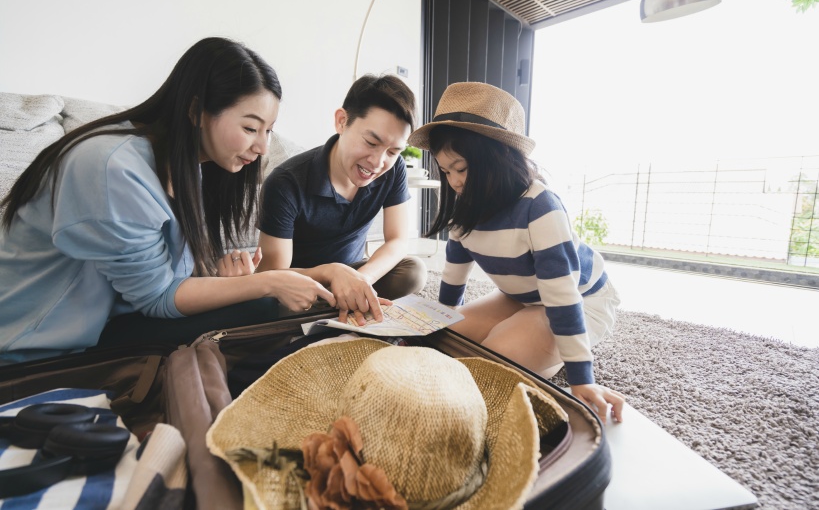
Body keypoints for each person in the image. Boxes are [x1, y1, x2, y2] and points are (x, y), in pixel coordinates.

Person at [0, 37, 335, 363]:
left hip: (100, 322)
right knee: (260, 307)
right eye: (250, 128)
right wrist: (265, 282)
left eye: (268, 130)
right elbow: (158, 297)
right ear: (196, 111)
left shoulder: (185, 166)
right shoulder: (113, 168)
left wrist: (226, 278)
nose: (262, 147)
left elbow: (165, 275)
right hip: (34, 344)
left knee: (258, 307)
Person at [407, 82, 625, 423]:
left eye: (461, 169)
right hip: (522, 295)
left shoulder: (540, 206)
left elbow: (561, 296)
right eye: (446, 171)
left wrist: (582, 379)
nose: (454, 182)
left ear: (498, 159)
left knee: (494, 362)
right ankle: (533, 345)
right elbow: (453, 276)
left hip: (581, 300)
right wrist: (436, 325)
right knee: (447, 343)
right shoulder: (465, 207)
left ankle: (557, 359)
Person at [257, 74, 427, 326]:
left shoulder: (394, 169)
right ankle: (339, 310)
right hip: (303, 284)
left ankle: (347, 305)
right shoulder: (286, 182)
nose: (378, 162)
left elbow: (399, 239)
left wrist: (362, 280)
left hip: (355, 271)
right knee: (271, 307)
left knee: (414, 271)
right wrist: (333, 273)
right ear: (342, 121)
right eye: (371, 142)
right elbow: (273, 274)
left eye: (392, 151)